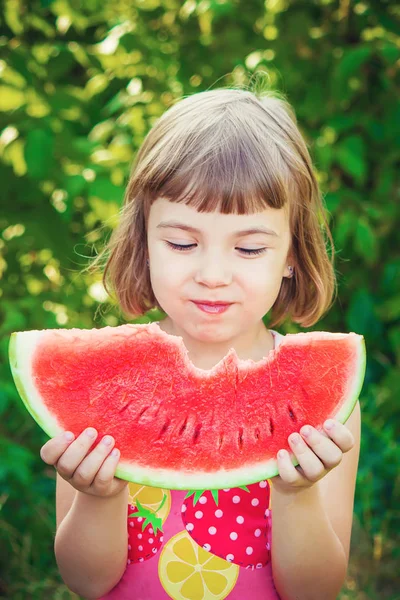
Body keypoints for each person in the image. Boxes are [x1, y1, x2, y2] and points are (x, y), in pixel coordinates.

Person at [40, 86, 361, 600]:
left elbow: (314, 592)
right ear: (143, 243)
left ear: (292, 255)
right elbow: (86, 582)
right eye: (183, 243)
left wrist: (297, 495)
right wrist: (98, 498)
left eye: (250, 247)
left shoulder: (321, 401)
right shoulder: (105, 388)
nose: (213, 274)